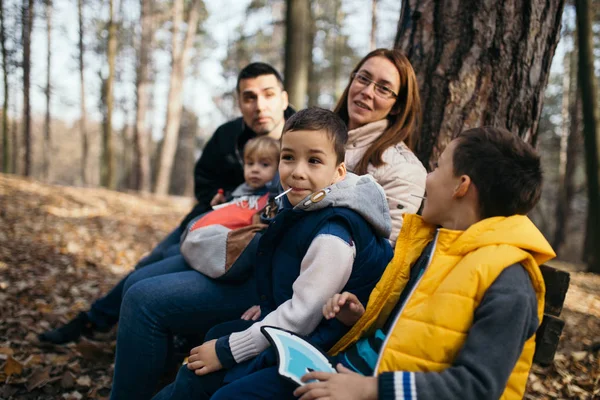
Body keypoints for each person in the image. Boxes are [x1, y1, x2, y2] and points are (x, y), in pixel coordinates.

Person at [290, 126, 556, 400]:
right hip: (355, 374)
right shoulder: (436, 249)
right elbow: (413, 336)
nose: (427, 179)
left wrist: (370, 390)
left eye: (438, 168)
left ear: (461, 186)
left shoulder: (509, 281)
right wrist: (360, 320)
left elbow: (477, 387)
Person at [38, 62, 293, 345]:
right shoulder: (227, 136)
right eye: (249, 97)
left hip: (248, 239)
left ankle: (172, 333)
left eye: (268, 94)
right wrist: (219, 196)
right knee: (153, 260)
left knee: (170, 266)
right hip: (208, 222)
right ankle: (93, 320)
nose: (259, 106)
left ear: (284, 98)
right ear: (240, 103)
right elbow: (204, 178)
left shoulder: (301, 135)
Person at [151, 107, 394, 400]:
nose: (297, 171)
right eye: (288, 157)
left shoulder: (334, 234)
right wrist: (266, 303)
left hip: (321, 347)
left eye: (314, 160)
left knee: (205, 378)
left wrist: (228, 351)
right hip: (292, 326)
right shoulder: (301, 206)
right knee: (213, 339)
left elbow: (302, 316)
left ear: (338, 173)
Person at [336, 48, 427, 244]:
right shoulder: (316, 136)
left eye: (384, 89)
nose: (367, 92)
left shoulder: (405, 170)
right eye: (363, 78)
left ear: (397, 107)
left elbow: (386, 252)